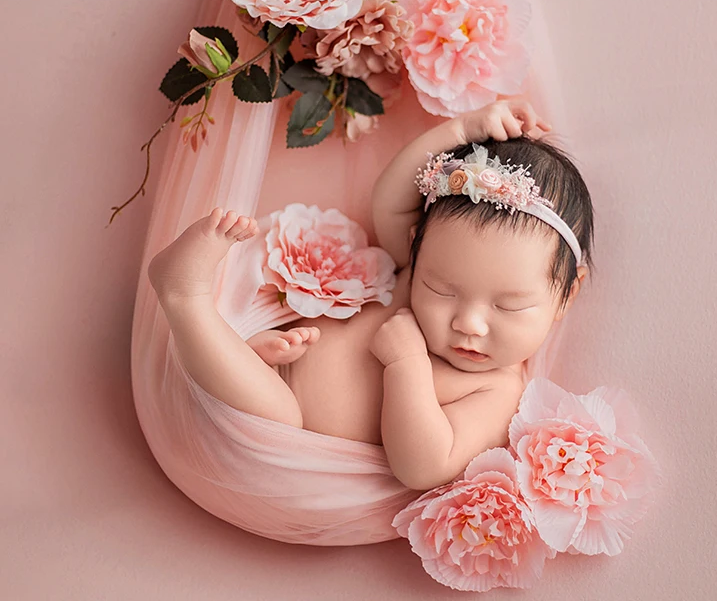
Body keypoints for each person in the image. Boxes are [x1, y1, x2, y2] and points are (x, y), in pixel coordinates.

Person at [148, 98, 594, 491]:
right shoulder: (412, 271)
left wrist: (408, 366)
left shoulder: (496, 389)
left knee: (276, 413)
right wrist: (462, 132)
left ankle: (185, 296)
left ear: (566, 295)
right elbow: (391, 198)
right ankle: (230, 344)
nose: (469, 323)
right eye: (442, 290)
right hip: (266, 359)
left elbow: (425, 465)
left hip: (284, 437)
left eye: (509, 305)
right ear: (418, 249)